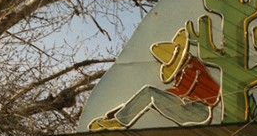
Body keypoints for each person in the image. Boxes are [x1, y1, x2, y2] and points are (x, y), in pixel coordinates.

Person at [89, 26, 220, 130]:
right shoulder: (183, 72)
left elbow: (182, 91)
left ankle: (120, 121)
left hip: (199, 111)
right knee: (150, 98)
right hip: (190, 109)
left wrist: (162, 95)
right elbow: (175, 91)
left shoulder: (192, 67)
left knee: (149, 93)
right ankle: (117, 116)